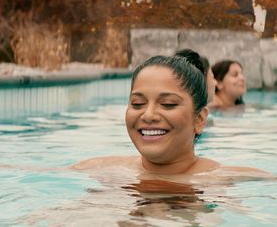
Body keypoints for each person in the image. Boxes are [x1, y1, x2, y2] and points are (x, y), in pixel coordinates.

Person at [75, 53, 235, 178]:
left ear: (199, 119)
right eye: (137, 104)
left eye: (168, 104)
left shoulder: (223, 182)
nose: (148, 115)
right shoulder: (100, 170)